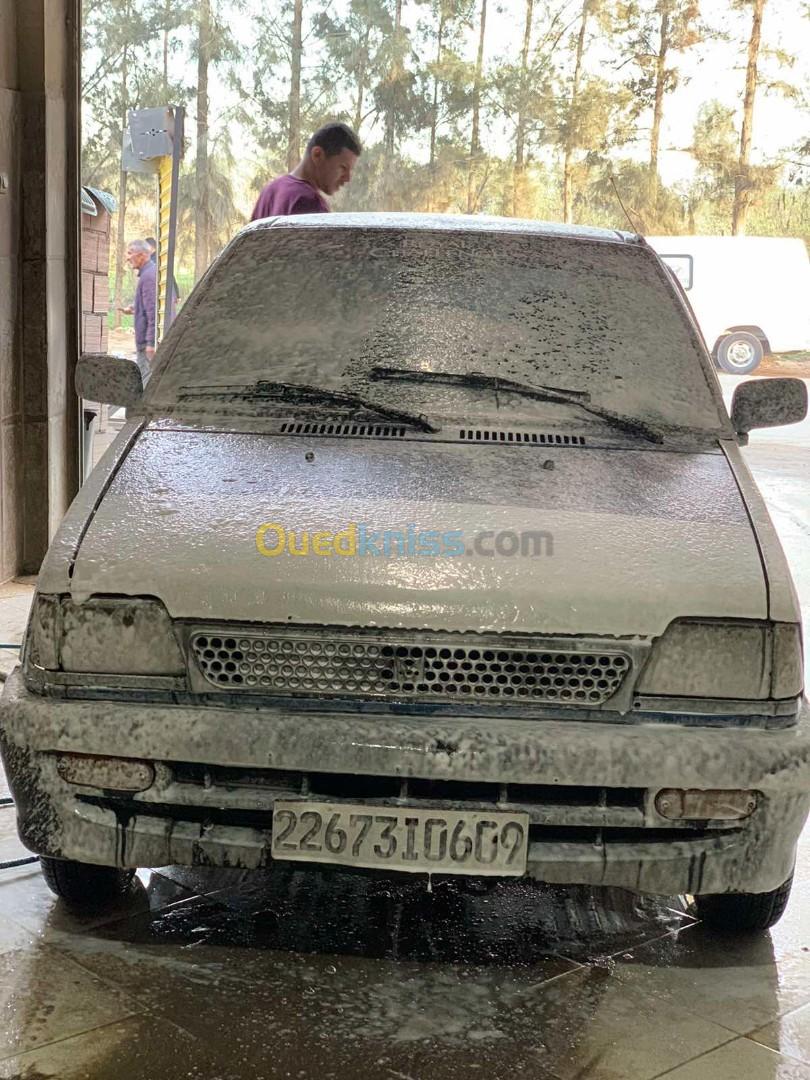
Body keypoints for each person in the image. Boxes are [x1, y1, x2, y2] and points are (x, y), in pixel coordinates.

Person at [251, 122, 361, 221]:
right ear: (317, 155)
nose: (347, 178)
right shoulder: (310, 204)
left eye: (350, 170)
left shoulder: (269, 190)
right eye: (343, 168)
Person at [125, 239, 156, 373]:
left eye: (130, 253)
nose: (127, 258)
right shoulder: (149, 274)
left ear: (142, 255)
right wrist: (135, 308)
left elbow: (153, 311)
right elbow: (147, 305)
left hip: (146, 345)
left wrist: (150, 343)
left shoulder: (149, 277)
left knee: (146, 382)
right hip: (146, 342)